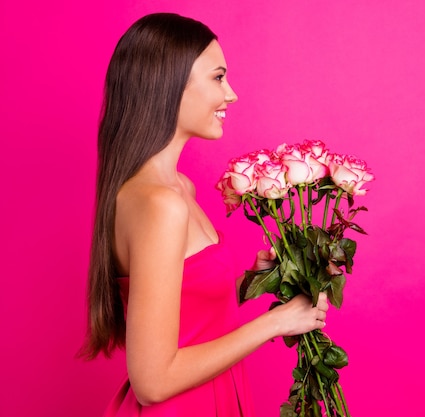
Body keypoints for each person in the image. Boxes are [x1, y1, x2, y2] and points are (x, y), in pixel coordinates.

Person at [80, 12, 329, 416]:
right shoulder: (160, 203)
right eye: (218, 78)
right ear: (169, 86)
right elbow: (153, 382)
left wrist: (252, 281)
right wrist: (277, 323)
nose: (231, 94)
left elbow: (181, 311)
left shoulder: (179, 189)